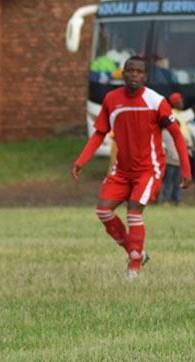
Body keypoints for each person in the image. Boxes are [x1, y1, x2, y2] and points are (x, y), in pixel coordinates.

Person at [73, 56, 192, 279]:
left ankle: (134, 266)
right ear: (123, 74)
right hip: (122, 170)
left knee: (133, 212)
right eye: (130, 71)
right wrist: (81, 160)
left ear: (145, 77)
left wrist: (186, 171)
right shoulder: (111, 99)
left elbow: (177, 136)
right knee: (103, 211)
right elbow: (100, 132)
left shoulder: (156, 101)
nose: (134, 75)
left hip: (149, 169)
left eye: (139, 72)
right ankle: (135, 251)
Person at [160, 92, 194, 206]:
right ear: (175, 103)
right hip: (172, 153)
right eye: (180, 102)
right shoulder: (172, 114)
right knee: (168, 180)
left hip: (181, 150)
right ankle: (166, 200)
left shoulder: (181, 114)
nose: (182, 103)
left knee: (178, 180)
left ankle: (177, 200)